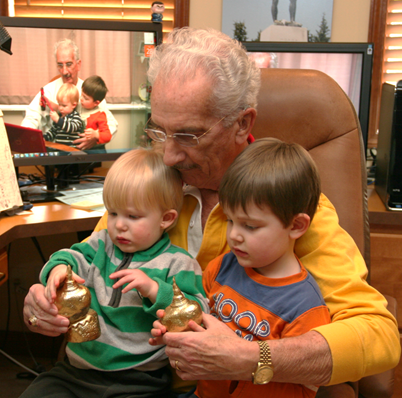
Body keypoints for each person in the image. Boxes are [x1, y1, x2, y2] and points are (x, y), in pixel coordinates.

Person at [23, 27, 400, 391]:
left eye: (188, 135)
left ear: (242, 123)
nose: (168, 154)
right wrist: (46, 296)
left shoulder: (289, 204)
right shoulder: (147, 188)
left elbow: (377, 334)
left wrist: (254, 358)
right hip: (117, 376)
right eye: (159, 131)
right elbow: (89, 264)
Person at [20, 148, 208, 398]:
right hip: (77, 371)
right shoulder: (101, 243)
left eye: (133, 216)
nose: (119, 224)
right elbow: (69, 256)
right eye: (114, 212)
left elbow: (197, 311)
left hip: (140, 378)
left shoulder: (178, 262)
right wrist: (57, 270)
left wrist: (153, 290)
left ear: (166, 218)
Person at [151, 138, 331, 398]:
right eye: (231, 220)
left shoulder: (305, 308)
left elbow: (304, 379)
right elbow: (201, 319)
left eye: (251, 226)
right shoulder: (221, 267)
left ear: (296, 226)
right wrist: (177, 332)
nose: (234, 235)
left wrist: (240, 361)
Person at [21, 39, 118, 150]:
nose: (64, 71)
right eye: (60, 65)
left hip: (87, 153)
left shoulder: (90, 91)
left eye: (69, 64)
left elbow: (112, 124)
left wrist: (96, 138)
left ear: (78, 64)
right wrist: (26, 137)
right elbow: (31, 117)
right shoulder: (48, 90)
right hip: (58, 152)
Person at [79, 75, 115, 146]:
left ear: (96, 103)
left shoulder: (100, 115)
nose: (81, 99)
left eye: (85, 98)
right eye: (81, 95)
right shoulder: (79, 106)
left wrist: (96, 134)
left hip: (94, 150)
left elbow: (108, 136)